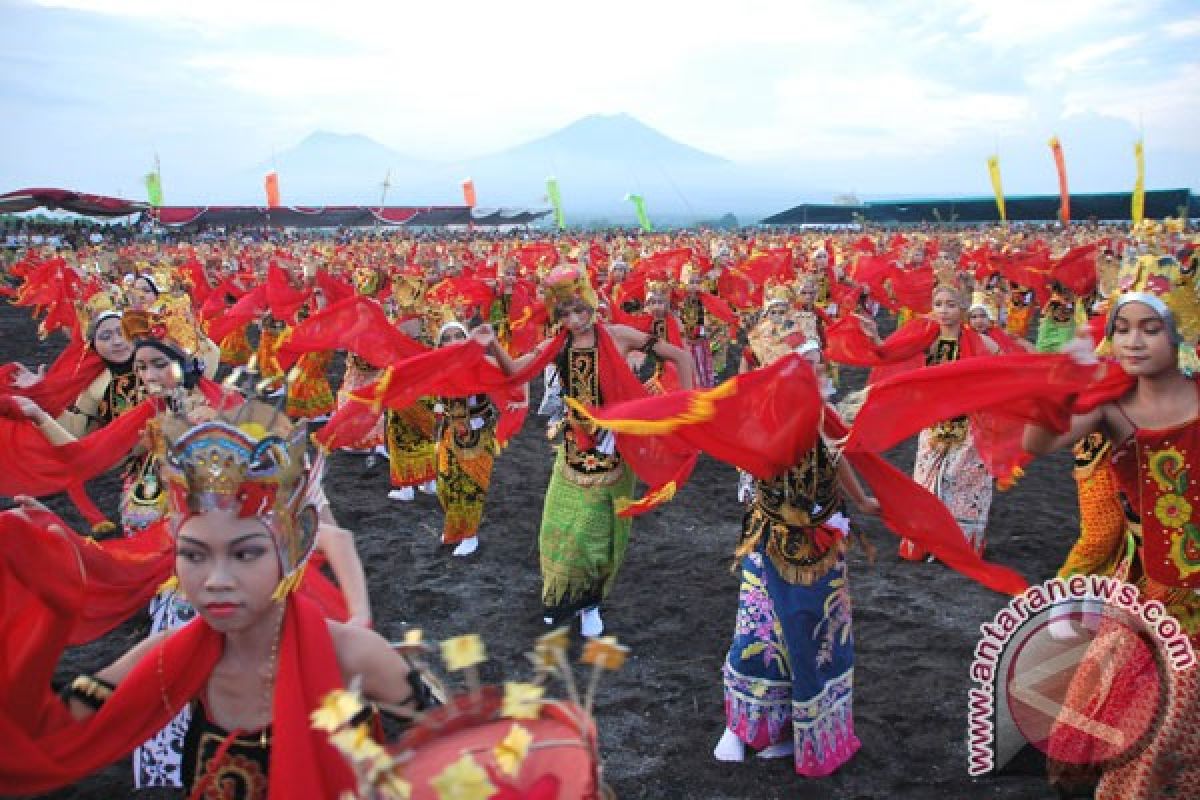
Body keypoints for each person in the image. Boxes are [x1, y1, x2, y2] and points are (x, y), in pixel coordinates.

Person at [0, 400, 432, 799]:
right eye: (193, 555)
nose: (216, 580)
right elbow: (37, 736)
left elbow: (463, 756)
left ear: (294, 546)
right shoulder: (169, 656)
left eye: (246, 553)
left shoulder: (353, 657)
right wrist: (46, 601)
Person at [1022, 251, 1200, 799]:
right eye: (1122, 328)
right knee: (1134, 705)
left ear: (1182, 333)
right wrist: (1058, 387)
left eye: (1151, 328)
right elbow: (1038, 444)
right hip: (1149, 587)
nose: (1134, 341)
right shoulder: (1111, 408)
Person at [480, 264, 695, 636]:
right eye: (565, 312)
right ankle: (561, 597)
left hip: (613, 446)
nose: (574, 319)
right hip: (572, 446)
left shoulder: (617, 335)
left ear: (591, 303)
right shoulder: (557, 342)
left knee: (594, 531)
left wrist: (687, 406)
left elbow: (681, 357)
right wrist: (491, 343)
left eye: (579, 309)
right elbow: (516, 370)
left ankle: (590, 605)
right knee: (557, 525)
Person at [901, 282, 999, 560]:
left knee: (961, 482)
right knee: (925, 481)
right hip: (933, 421)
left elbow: (1001, 378)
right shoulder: (927, 341)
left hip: (970, 424)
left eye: (950, 304)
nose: (943, 311)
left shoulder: (984, 345)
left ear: (963, 308)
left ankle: (958, 546)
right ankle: (927, 542)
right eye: (938, 304)